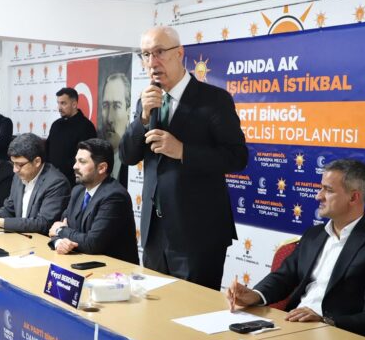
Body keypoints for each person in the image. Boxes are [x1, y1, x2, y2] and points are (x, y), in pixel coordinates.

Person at [120, 26, 248, 290]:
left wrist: (183, 151)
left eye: (159, 52)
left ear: (179, 53)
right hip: (155, 232)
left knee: (194, 309)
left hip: (198, 234)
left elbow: (237, 157)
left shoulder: (214, 100)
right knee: (155, 308)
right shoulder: (147, 101)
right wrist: (142, 118)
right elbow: (127, 155)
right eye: (146, 55)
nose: (152, 62)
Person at [227, 160, 365, 338]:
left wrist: (327, 321)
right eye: (321, 188)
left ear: (353, 197)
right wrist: (255, 295)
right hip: (292, 327)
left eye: (328, 190)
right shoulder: (315, 234)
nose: (318, 196)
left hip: (338, 337)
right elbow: (284, 276)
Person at [49, 138, 138, 263]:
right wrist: (59, 242)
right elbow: (56, 229)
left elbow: (92, 243)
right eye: (76, 161)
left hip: (112, 269)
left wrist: (61, 231)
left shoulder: (115, 196)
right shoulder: (77, 191)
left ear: (102, 168)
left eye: (82, 162)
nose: (75, 166)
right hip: (78, 261)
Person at [0, 133, 70, 235]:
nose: (15, 169)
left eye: (20, 164)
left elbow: (43, 223)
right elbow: (9, 209)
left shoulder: (56, 183)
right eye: (13, 163)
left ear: (37, 161)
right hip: (20, 237)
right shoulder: (18, 176)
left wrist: (1, 223)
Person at [44, 87, 97, 185]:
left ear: (74, 104)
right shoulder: (56, 124)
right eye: (58, 103)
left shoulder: (86, 126)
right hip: (51, 179)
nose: (59, 108)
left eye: (63, 103)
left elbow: (86, 157)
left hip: (73, 182)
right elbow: (48, 148)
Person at [98, 73, 131, 186]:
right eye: (105, 106)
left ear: (128, 112)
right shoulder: (94, 157)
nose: (109, 119)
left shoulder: (135, 161)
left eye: (116, 106)